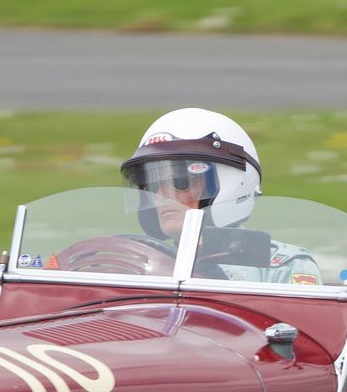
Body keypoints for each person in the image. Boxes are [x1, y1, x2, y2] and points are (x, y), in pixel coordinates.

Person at [119, 108, 322, 284]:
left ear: (230, 183)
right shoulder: (138, 270)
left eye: (181, 181)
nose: (162, 195)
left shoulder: (282, 268)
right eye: (153, 185)